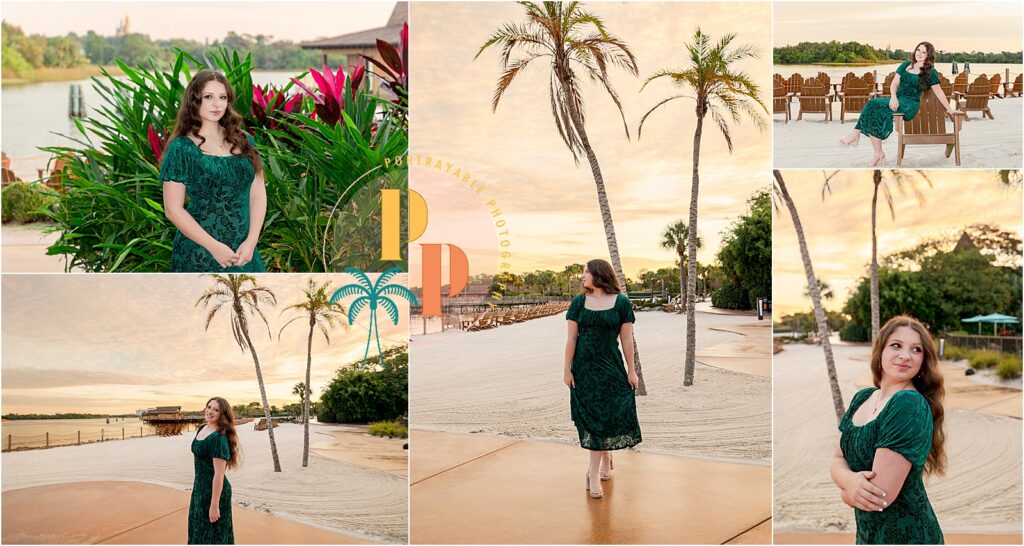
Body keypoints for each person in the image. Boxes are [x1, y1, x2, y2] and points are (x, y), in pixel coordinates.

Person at [830, 315, 946, 544]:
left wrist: (844, 491)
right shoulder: (862, 398)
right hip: (868, 536)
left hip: (909, 537)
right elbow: (837, 458)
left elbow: (879, 496)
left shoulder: (908, 404)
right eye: (896, 345)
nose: (905, 355)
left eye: (916, 349)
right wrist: (850, 482)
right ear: (880, 351)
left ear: (923, 361)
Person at [161, 69, 267, 272]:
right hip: (199, 253)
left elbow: (258, 193)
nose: (217, 104)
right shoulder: (182, 148)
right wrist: (214, 247)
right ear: (194, 100)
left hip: (244, 253)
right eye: (208, 97)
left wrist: (252, 241)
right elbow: (173, 209)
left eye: (222, 97)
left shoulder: (244, 141)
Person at [564, 259, 641, 499]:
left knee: (609, 413)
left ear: (599, 274)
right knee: (594, 417)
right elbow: (572, 339)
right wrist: (567, 369)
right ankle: (594, 471)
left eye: (586, 272)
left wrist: (632, 370)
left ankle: (602, 460)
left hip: (611, 367)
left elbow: (627, 339)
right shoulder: (578, 303)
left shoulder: (622, 303)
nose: (582, 276)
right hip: (584, 368)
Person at [838, 42, 959, 166]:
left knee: (875, 107)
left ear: (928, 55)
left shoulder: (930, 72)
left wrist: (949, 109)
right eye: (918, 50)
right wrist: (893, 98)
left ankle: (856, 134)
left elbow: (939, 93)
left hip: (910, 105)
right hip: (897, 99)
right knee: (873, 106)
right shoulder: (905, 65)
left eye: (924, 52)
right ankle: (877, 152)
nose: (919, 54)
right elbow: (894, 84)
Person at [189, 397, 239, 544]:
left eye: (216, 410)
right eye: (209, 407)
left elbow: (219, 474)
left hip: (215, 493)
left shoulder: (218, 437)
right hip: (199, 489)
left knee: (213, 536)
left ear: (222, 414)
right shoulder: (202, 428)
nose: (210, 411)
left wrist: (214, 505)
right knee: (197, 530)